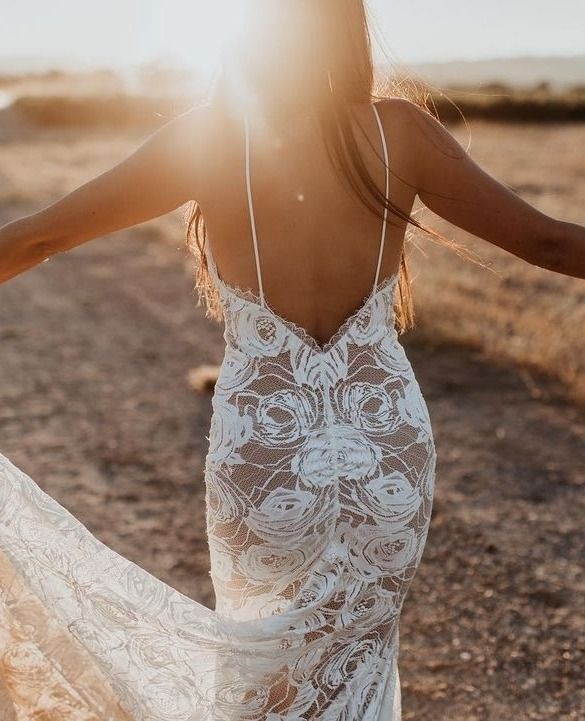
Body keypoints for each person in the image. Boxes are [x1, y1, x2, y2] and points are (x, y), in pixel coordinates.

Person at [0, 2, 584, 720]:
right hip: (384, 453)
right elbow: (555, 245)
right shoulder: (400, 132)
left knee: (264, 675)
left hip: (262, 452)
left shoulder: (207, 138)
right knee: (357, 664)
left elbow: (36, 239)